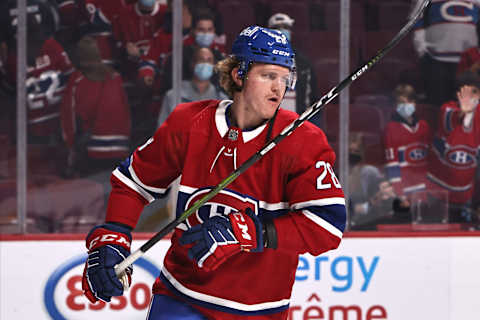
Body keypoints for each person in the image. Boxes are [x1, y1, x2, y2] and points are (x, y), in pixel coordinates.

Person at [81, 25, 346, 319]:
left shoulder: (302, 140)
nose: (278, 88)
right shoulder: (189, 122)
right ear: (238, 74)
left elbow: (327, 226)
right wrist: (113, 236)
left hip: (259, 310)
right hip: (182, 298)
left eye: (285, 78)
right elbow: (133, 182)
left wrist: (249, 232)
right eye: (269, 75)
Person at [60, 36, 131, 178]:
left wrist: (70, 147)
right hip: (121, 148)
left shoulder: (77, 80)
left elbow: (69, 119)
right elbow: (126, 112)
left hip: (92, 152)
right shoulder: (115, 77)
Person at [426, 71, 480, 223]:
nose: (469, 98)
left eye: (474, 92)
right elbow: (456, 117)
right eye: (465, 93)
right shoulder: (447, 110)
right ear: (457, 94)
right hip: (438, 192)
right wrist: (464, 111)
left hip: (465, 195)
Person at [411, 0, 480, 106]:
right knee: (439, 107)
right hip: (437, 61)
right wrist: (423, 52)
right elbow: (416, 20)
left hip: (470, 63)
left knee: (470, 110)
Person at [268, 13, 321, 127]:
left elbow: (313, 101)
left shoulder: (303, 64)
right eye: (277, 28)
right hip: (268, 125)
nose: (282, 31)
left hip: (295, 124)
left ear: (291, 32)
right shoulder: (260, 61)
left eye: (285, 27)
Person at [157, 46, 228, 127]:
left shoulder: (222, 100)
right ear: (192, 64)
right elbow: (161, 132)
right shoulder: (173, 96)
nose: (205, 64)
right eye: (201, 60)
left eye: (209, 60)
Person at [383, 84, 432, 199]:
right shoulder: (391, 128)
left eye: (408, 101)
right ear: (395, 105)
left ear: (414, 102)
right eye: (401, 102)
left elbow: (431, 158)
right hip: (405, 189)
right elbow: (392, 163)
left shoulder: (424, 126)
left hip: (425, 187)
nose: (405, 105)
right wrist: (399, 192)